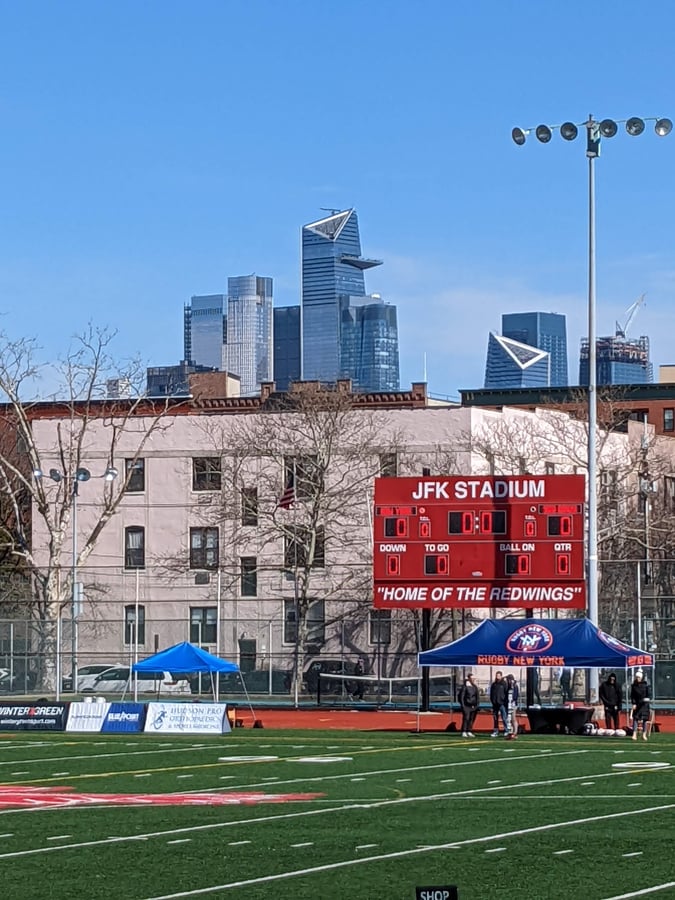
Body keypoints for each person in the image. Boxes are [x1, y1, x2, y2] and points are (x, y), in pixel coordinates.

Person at [630, 669, 651, 741]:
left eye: (638, 677)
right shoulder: (633, 686)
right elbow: (632, 696)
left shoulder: (645, 685)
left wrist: (647, 699)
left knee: (645, 719)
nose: (637, 678)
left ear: (641, 677)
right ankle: (634, 734)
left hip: (644, 704)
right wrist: (634, 703)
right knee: (635, 719)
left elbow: (649, 694)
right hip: (637, 704)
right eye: (636, 677)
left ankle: (644, 734)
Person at [489, 671, 508, 737]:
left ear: (501, 676)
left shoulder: (504, 684)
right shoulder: (494, 684)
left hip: (501, 704)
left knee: (504, 717)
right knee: (495, 718)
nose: (497, 677)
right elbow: (491, 694)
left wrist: (503, 701)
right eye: (497, 675)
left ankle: (506, 730)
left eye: (499, 675)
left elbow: (506, 693)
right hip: (495, 704)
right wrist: (493, 701)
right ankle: (496, 731)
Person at [505, 673, 519, 740]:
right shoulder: (509, 686)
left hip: (513, 704)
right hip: (509, 703)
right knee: (510, 719)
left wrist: (512, 701)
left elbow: (515, 696)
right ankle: (511, 732)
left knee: (513, 718)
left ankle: (515, 732)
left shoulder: (514, 686)